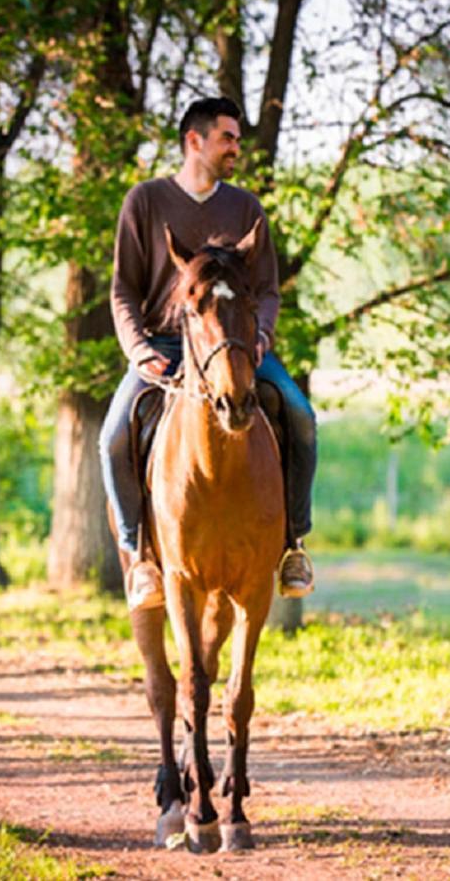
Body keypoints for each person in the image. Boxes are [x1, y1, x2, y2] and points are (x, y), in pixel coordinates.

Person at [100, 96, 317, 610]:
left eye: (237, 140)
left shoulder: (246, 209)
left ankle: (293, 547)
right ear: (193, 141)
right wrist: (136, 349)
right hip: (165, 347)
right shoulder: (145, 201)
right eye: (228, 138)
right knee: (111, 439)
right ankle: (141, 556)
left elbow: (266, 289)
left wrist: (260, 336)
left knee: (302, 417)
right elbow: (123, 290)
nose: (236, 148)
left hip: (238, 346)